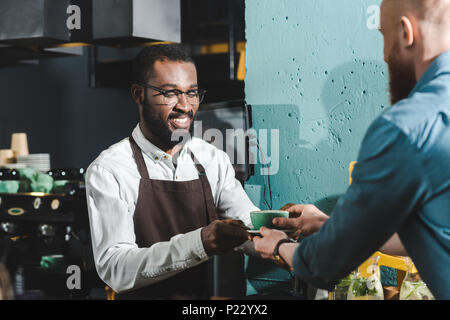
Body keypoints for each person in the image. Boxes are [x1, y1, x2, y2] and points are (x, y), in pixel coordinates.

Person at [253, 0, 450, 299]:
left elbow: (323, 264)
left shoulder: (408, 126)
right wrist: (331, 225)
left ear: (405, 32)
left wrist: (279, 245)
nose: (384, 55)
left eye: (383, 36)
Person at [85, 44, 258, 299]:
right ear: (138, 94)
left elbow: (247, 225)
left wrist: (280, 231)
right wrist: (200, 242)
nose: (185, 106)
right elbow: (116, 268)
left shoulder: (213, 160)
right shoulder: (110, 169)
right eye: (170, 93)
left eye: (192, 93)